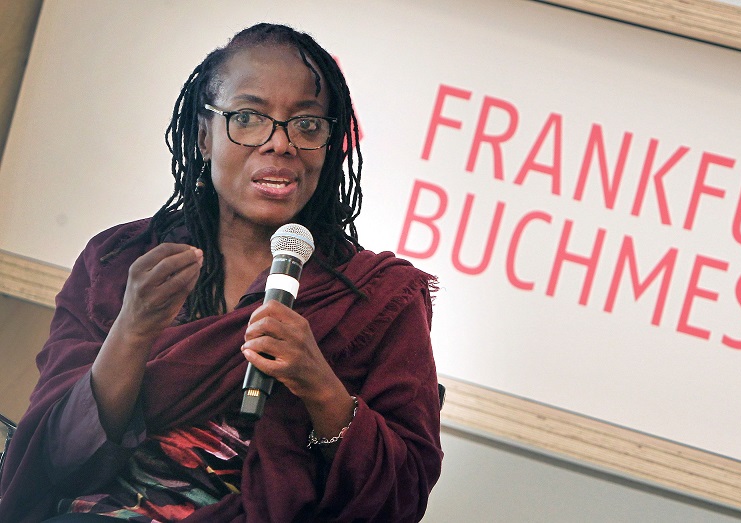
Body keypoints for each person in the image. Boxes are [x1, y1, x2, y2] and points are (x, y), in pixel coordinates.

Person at [0, 23, 443, 522]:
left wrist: (320, 386)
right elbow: (51, 462)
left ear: (330, 144)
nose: (281, 143)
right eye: (250, 117)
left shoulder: (379, 297)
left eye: (307, 124)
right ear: (203, 136)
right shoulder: (119, 261)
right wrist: (132, 330)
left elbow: (401, 499)